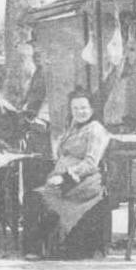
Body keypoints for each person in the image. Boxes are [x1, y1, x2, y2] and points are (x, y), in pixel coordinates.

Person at [23, 89, 111, 260]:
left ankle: (36, 247)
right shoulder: (74, 128)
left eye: (84, 108)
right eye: (75, 109)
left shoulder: (95, 130)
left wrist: (65, 177)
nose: (80, 112)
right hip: (66, 179)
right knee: (32, 195)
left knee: (38, 197)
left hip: (84, 182)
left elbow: (91, 163)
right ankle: (36, 247)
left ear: (92, 109)